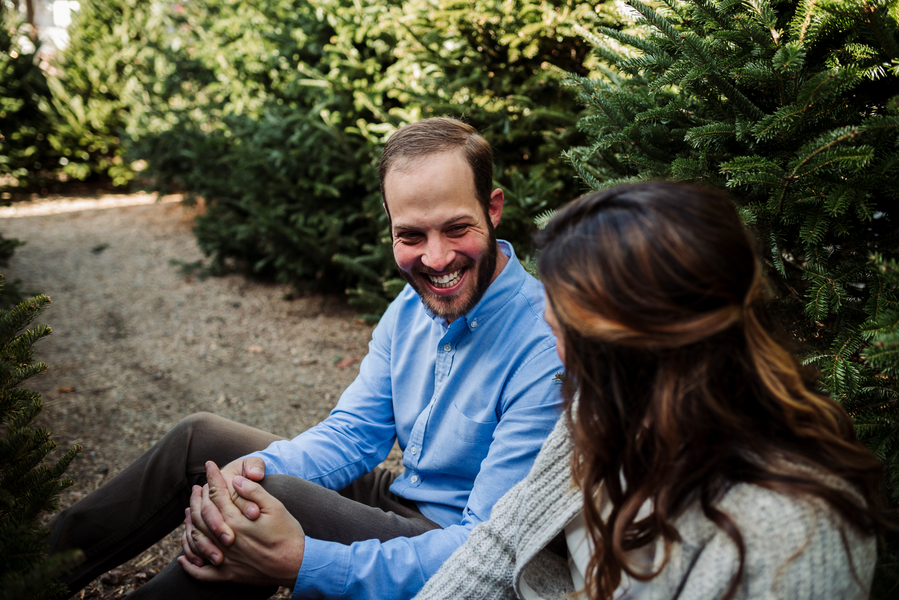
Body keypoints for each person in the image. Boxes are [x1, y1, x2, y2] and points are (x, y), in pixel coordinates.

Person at [48, 117, 564, 599]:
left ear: (493, 209)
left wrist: (301, 560)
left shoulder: (545, 345)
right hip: (400, 499)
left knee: (260, 504)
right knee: (203, 441)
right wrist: (242, 473)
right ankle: (25, 572)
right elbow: (352, 434)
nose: (435, 258)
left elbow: (489, 550)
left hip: (451, 541)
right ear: (390, 224)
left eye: (456, 229)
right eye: (410, 235)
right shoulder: (410, 306)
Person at [414, 181, 886, 600]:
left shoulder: (791, 535)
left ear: (635, 345)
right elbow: (503, 540)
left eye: (564, 326)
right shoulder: (598, 412)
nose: (544, 321)